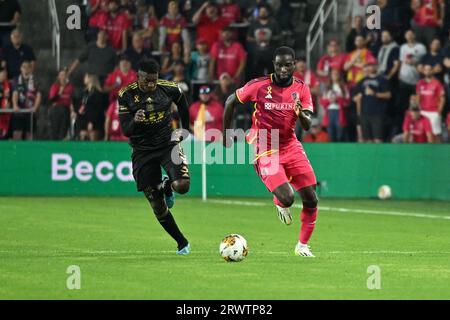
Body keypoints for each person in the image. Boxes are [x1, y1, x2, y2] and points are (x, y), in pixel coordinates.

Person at [223, 46, 319, 257]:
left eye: (287, 65)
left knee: (311, 198)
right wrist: (226, 135)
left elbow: (307, 124)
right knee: (288, 197)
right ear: (273, 65)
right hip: (264, 145)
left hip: (290, 144)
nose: (283, 69)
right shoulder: (258, 86)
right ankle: (280, 202)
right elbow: (230, 101)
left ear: (294, 64)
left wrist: (300, 113)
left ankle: (302, 246)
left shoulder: (301, 88)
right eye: (279, 65)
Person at [118, 59, 191, 254]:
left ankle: (168, 185)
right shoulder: (126, 95)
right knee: (157, 205)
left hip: (167, 144)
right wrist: (134, 120)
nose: (151, 85)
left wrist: (186, 130)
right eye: (146, 81)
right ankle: (182, 242)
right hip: (142, 152)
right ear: (138, 77)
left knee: (182, 185)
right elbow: (126, 130)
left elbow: (183, 105)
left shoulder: (169, 89)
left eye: (154, 81)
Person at [353, 62, 391, 143]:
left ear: (376, 67)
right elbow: (355, 96)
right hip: (364, 114)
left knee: (378, 140)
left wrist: (374, 94)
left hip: (377, 114)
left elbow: (388, 95)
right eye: (368, 66)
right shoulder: (362, 81)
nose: (370, 68)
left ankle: (380, 156)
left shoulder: (382, 80)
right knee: (367, 141)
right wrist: (356, 98)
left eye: (372, 66)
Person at [246, 4, 281, 79]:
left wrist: (269, 38)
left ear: (268, 12)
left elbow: (279, 36)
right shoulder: (254, 23)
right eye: (261, 11)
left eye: (264, 11)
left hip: (270, 53)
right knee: (257, 76)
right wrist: (257, 39)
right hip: (257, 54)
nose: (263, 13)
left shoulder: (273, 23)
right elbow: (248, 37)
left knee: (271, 75)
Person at [10, 60, 41, 140]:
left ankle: (29, 151)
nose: (26, 69)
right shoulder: (16, 80)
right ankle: (16, 152)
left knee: (29, 135)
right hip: (19, 111)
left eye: (28, 67)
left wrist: (35, 107)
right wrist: (15, 105)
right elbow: (15, 93)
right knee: (17, 134)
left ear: (31, 69)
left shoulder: (35, 80)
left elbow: (38, 95)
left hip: (31, 112)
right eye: (24, 67)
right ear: (21, 68)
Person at [416, 64, 445, 142]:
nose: (427, 71)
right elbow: (418, 97)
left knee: (436, 134)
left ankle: (439, 151)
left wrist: (439, 112)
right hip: (423, 112)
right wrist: (418, 110)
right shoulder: (420, 83)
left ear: (432, 71)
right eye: (425, 69)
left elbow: (442, 98)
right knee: (424, 134)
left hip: (434, 112)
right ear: (423, 71)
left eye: (429, 69)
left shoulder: (437, 83)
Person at [75, 73, 108, 141]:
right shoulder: (84, 93)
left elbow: (98, 109)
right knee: (82, 138)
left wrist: (91, 122)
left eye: (86, 77)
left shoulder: (97, 93)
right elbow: (81, 104)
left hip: (94, 121)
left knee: (93, 140)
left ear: (90, 79)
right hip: (83, 120)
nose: (84, 78)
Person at [48, 68, 74, 140]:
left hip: (66, 110)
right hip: (56, 110)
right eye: (61, 75)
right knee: (55, 131)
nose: (63, 77)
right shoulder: (55, 86)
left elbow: (71, 99)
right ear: (58, 76)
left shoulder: (70, 87)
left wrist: (72, 110)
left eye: (64, 75)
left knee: (63, 131)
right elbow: (52, 100)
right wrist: (59, 92)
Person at [0, 66, 11, 138]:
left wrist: (8, 104)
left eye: (5, 74)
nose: (5, 75)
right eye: (3, 74)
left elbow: (8, 98)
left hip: (4, 117)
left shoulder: (8, 84)